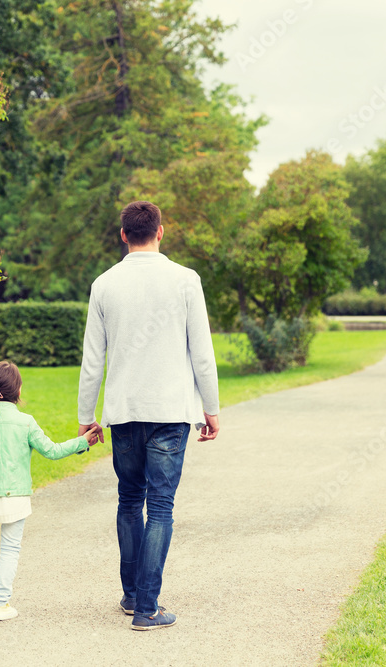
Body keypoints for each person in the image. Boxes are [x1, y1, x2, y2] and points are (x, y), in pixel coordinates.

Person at [78, 200, 220, 631]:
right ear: (161, 231)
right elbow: (203, 352)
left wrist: (88, 417)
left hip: (123, 412)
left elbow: (92, 360)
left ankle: (131, 596)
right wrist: (210, 410)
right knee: (160, 505)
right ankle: (147, 608)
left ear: (123, 235)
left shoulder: (104, 284)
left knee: (128, 500)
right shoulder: (185, 280)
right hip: (170, 411)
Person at [0, 360, 99, 621]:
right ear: (19, 391)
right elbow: (52, 451)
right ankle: (0, 605)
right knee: (10, 549)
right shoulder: (26, 423)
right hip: (16, 500)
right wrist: (82, 442)